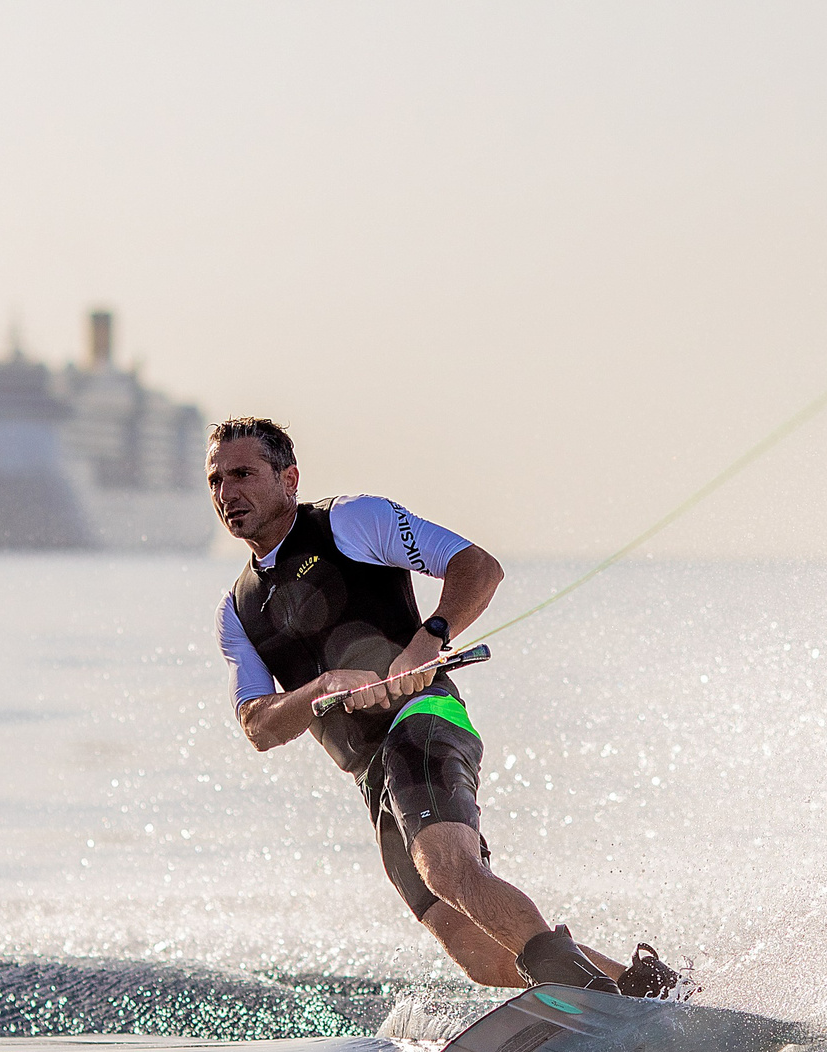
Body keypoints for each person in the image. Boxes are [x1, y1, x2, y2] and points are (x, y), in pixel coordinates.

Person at [206, 416, 676, 996]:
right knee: (478, 954)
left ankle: (590, 997)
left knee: (447, 866)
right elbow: (259, 726)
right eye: (217, 480)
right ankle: (647, 989)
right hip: (372, 775)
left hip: (425, 717)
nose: (228, 493)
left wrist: (425, 643)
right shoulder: (239, 610)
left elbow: (477, 566)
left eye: (244, 474)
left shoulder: (352, 521)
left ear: (289, 478)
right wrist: (319, 689)